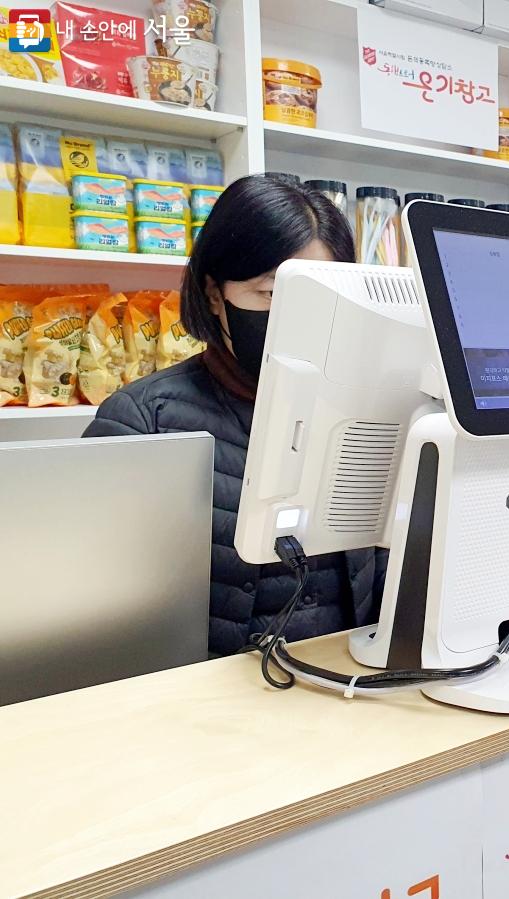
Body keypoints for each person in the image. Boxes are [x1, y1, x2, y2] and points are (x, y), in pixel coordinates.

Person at [85, 175, 387, 657]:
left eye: (323, 291)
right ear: (212, 294)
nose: (300, 314)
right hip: (207, 709)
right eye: (271, 292)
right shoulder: (143, 422)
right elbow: (101, 614)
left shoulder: (370, 409)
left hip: (353, 686)